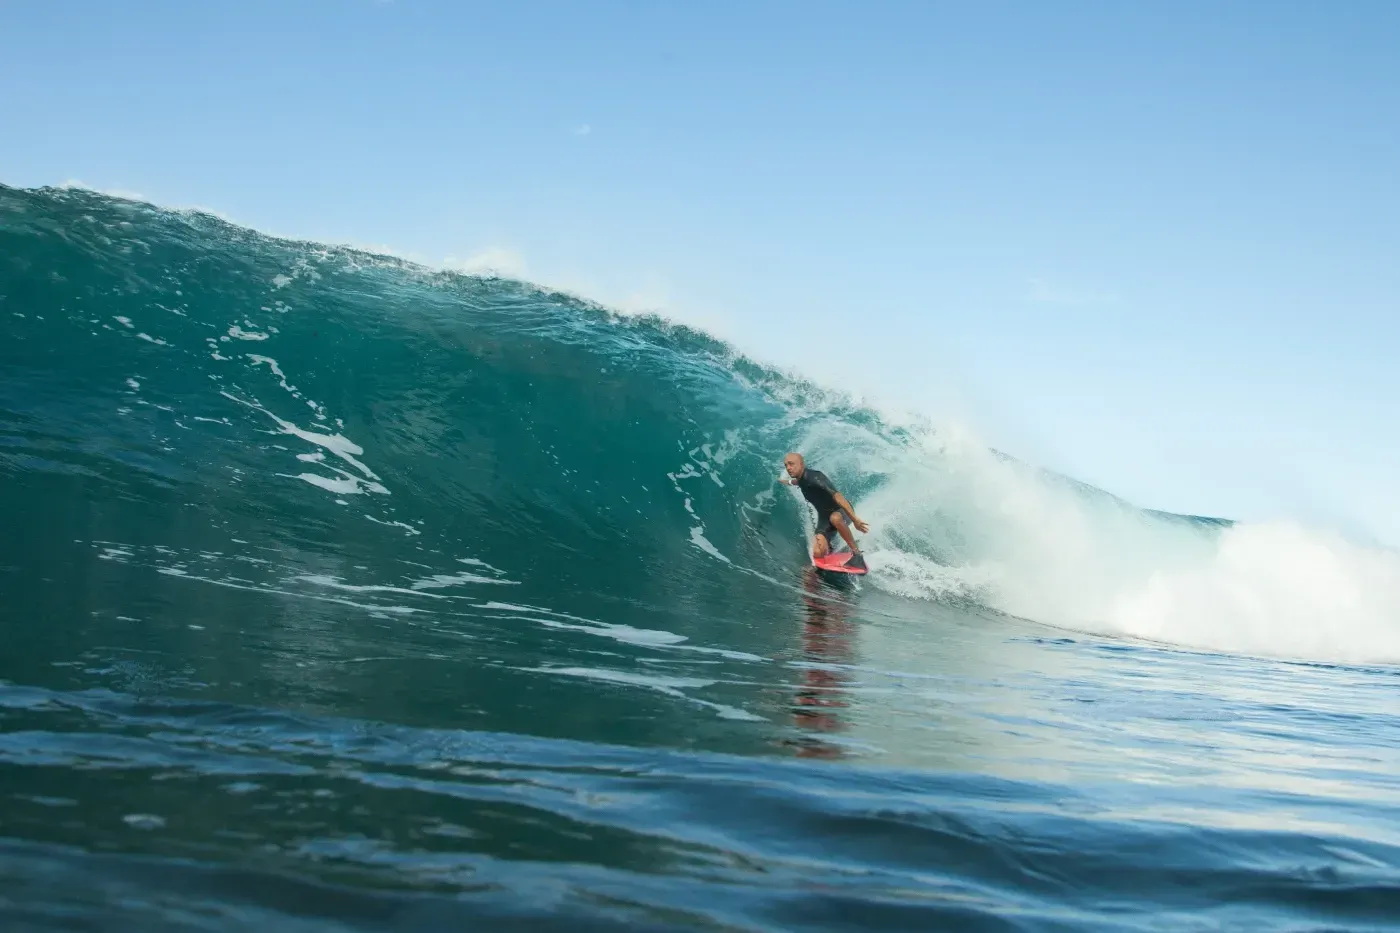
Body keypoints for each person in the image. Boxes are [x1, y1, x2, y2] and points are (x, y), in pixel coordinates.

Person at [780, 452, 869, 566]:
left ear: (802, 464)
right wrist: (783, 481)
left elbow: (838, 496)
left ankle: (857, 555)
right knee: (817, 553)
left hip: (840, 512)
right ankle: (829, 546)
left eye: (791, 464)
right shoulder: (800, 479)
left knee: (835, 518)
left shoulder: (816, 477)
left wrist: (855, 519)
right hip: (824, 519)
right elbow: (794, 482)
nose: (788, 468)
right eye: (786, 465)